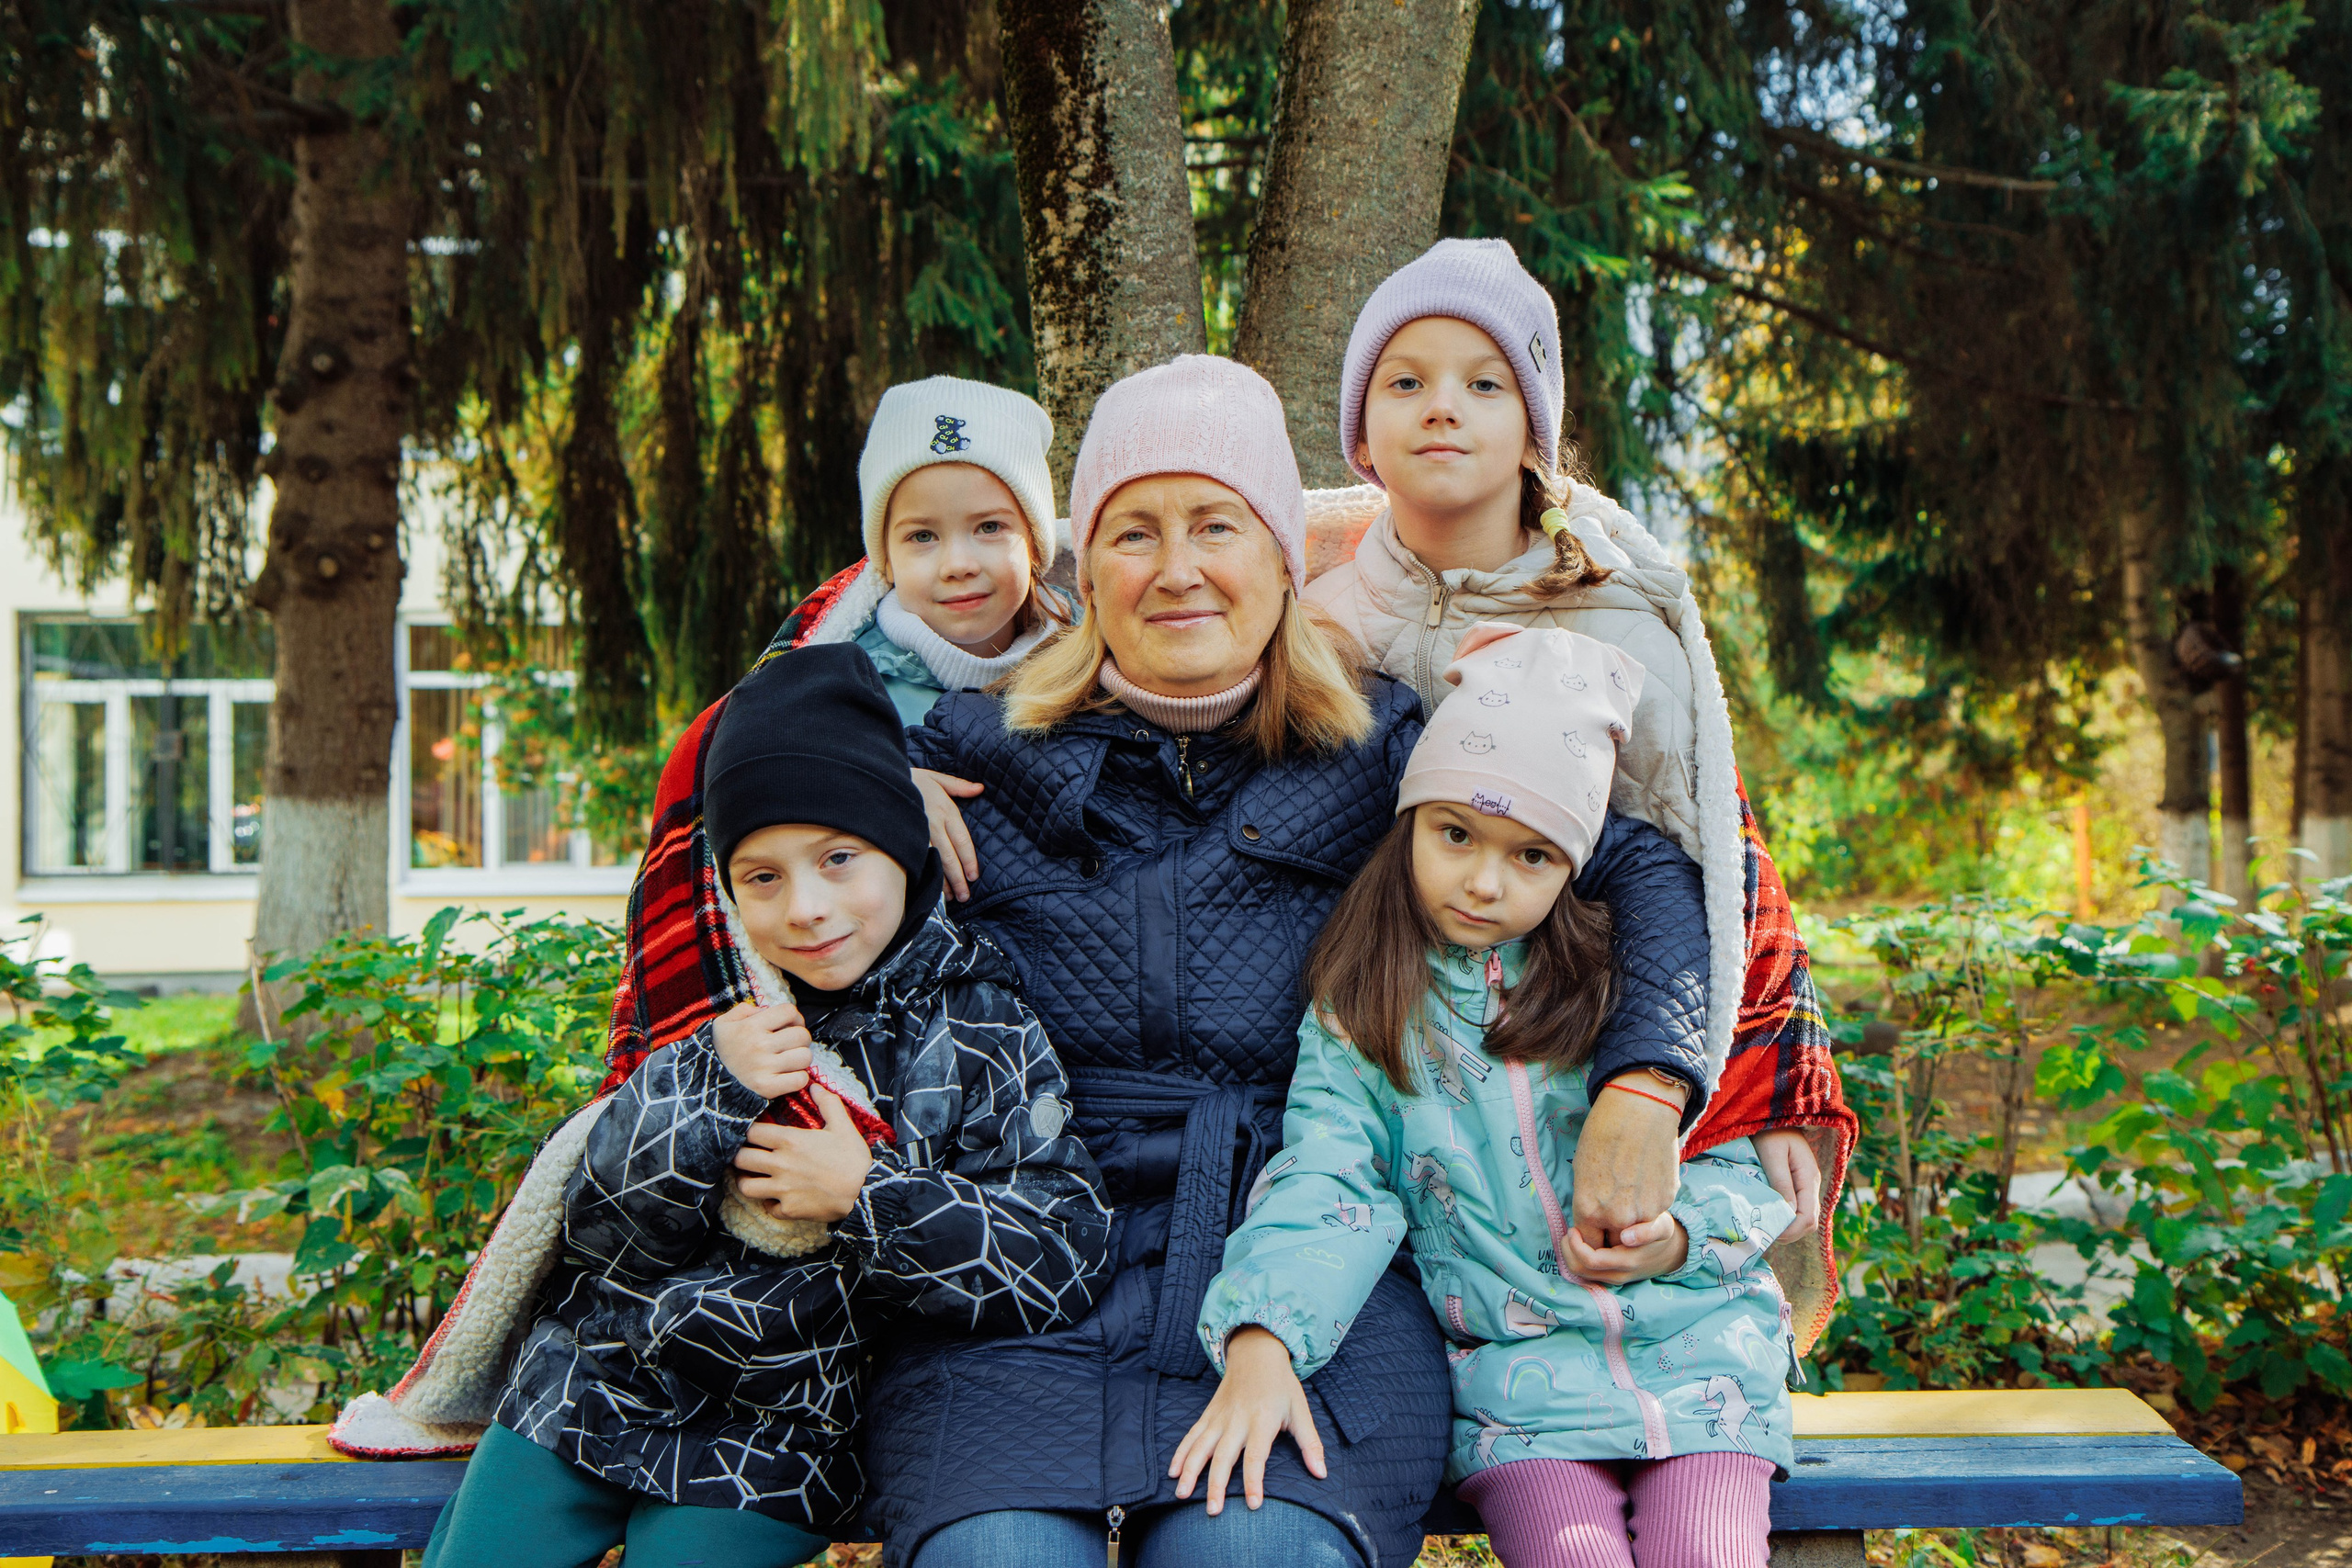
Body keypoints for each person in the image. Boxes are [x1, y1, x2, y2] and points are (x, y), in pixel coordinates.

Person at [854, 355, 1715, 1568]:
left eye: (1217, 524)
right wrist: (858, 792)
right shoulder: (966, 752)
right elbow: (763, 847)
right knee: (996, 1556)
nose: (1178, 568)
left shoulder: (1389, 749)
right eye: (1134, 532)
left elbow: (1637, 862)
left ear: (1281, 557)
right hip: (1023, 1270)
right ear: (1084, 573)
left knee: (1253, 1552)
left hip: (1317, 1246)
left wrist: (1647, 1083)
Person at [408, 645, 1112, 1568]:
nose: (806, 907)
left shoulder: (978, 1025)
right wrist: (707, 1082)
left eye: (838, 858)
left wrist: (866, 1196)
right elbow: (599, 1232)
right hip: (588, 1391)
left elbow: (1060, 1256)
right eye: (763, 876)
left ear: (903, 845)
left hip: (778, 1439)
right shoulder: (714, 1000)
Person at [1303, 238, 1854, 1344]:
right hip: (1380, 1075)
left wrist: (1752, 1086)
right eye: (1404, 381)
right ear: (1361, 434)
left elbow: (1705, 867)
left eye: (1484, 383)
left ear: (1533, 431)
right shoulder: (1316, 619)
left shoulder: (1615, 616)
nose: (1441, 407)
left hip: (1565, 1068)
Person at [1179, 624, 1793, 1568]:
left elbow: (1731, 1158)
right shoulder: (1364, 1006)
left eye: (1531, 855)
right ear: (1409, 821)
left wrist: (1676, 1238)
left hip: (1706, 1367)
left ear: (1574, 863)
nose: (1482, 882)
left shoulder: (1623, 985)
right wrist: (1266, 1334)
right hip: (1517, 1392)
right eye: (1455, 833)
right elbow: (1327, 1177)